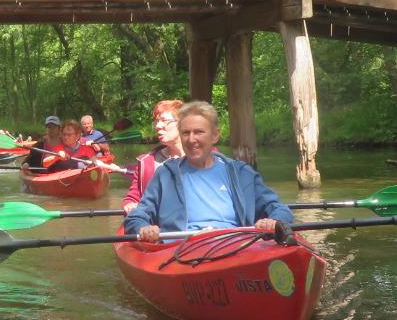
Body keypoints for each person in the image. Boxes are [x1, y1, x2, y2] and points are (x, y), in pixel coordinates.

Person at [122, 100, 291, 243]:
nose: (191, 139)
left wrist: (274, 221)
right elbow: (137, 215)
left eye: (199, 132)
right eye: (186, 133)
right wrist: (143, 228)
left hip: (235, 246)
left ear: (215, 135)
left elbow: (279, 208)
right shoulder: (166, 174)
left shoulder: (241, 173)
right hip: (181, 251)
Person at [123, 99, 185, 213]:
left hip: (193, 227)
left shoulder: (206, 159)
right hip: (153, 227)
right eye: (157, 122)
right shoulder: (146, 162)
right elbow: (132, 197)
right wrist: (130, 204)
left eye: (164, 120)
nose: (158, 126)